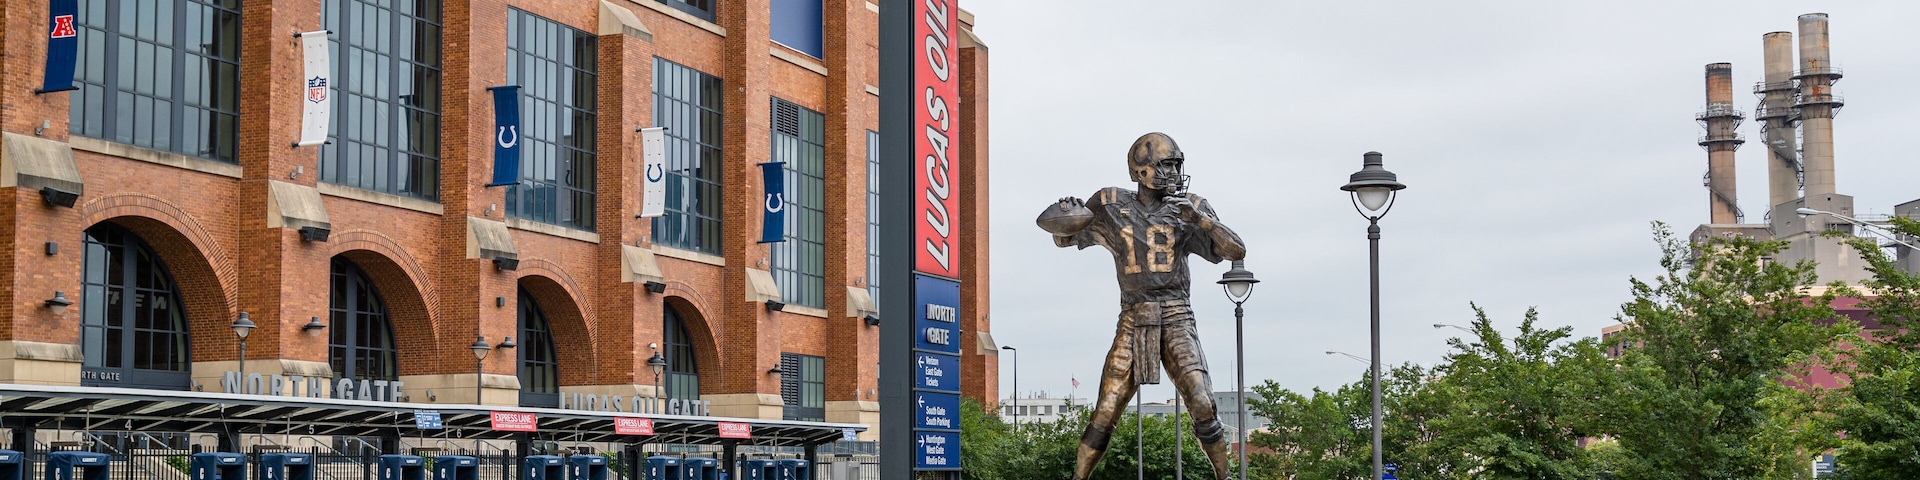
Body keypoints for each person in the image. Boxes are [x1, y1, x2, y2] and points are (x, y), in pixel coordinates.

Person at [1043, 132, 1247, 480]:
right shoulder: (1109, 203)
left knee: (1201, 399)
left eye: (1177, 164)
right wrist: (1066, 212)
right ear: (1140, 171)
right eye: (1166, 164)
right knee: (1106, 408)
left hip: (1176, 312)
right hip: (1134, 315)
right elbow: (1065, 238)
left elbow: (1235, 251)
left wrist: (1202, 220)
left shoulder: (1191, 207)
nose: (1175, 172)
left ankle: (1225, 477)